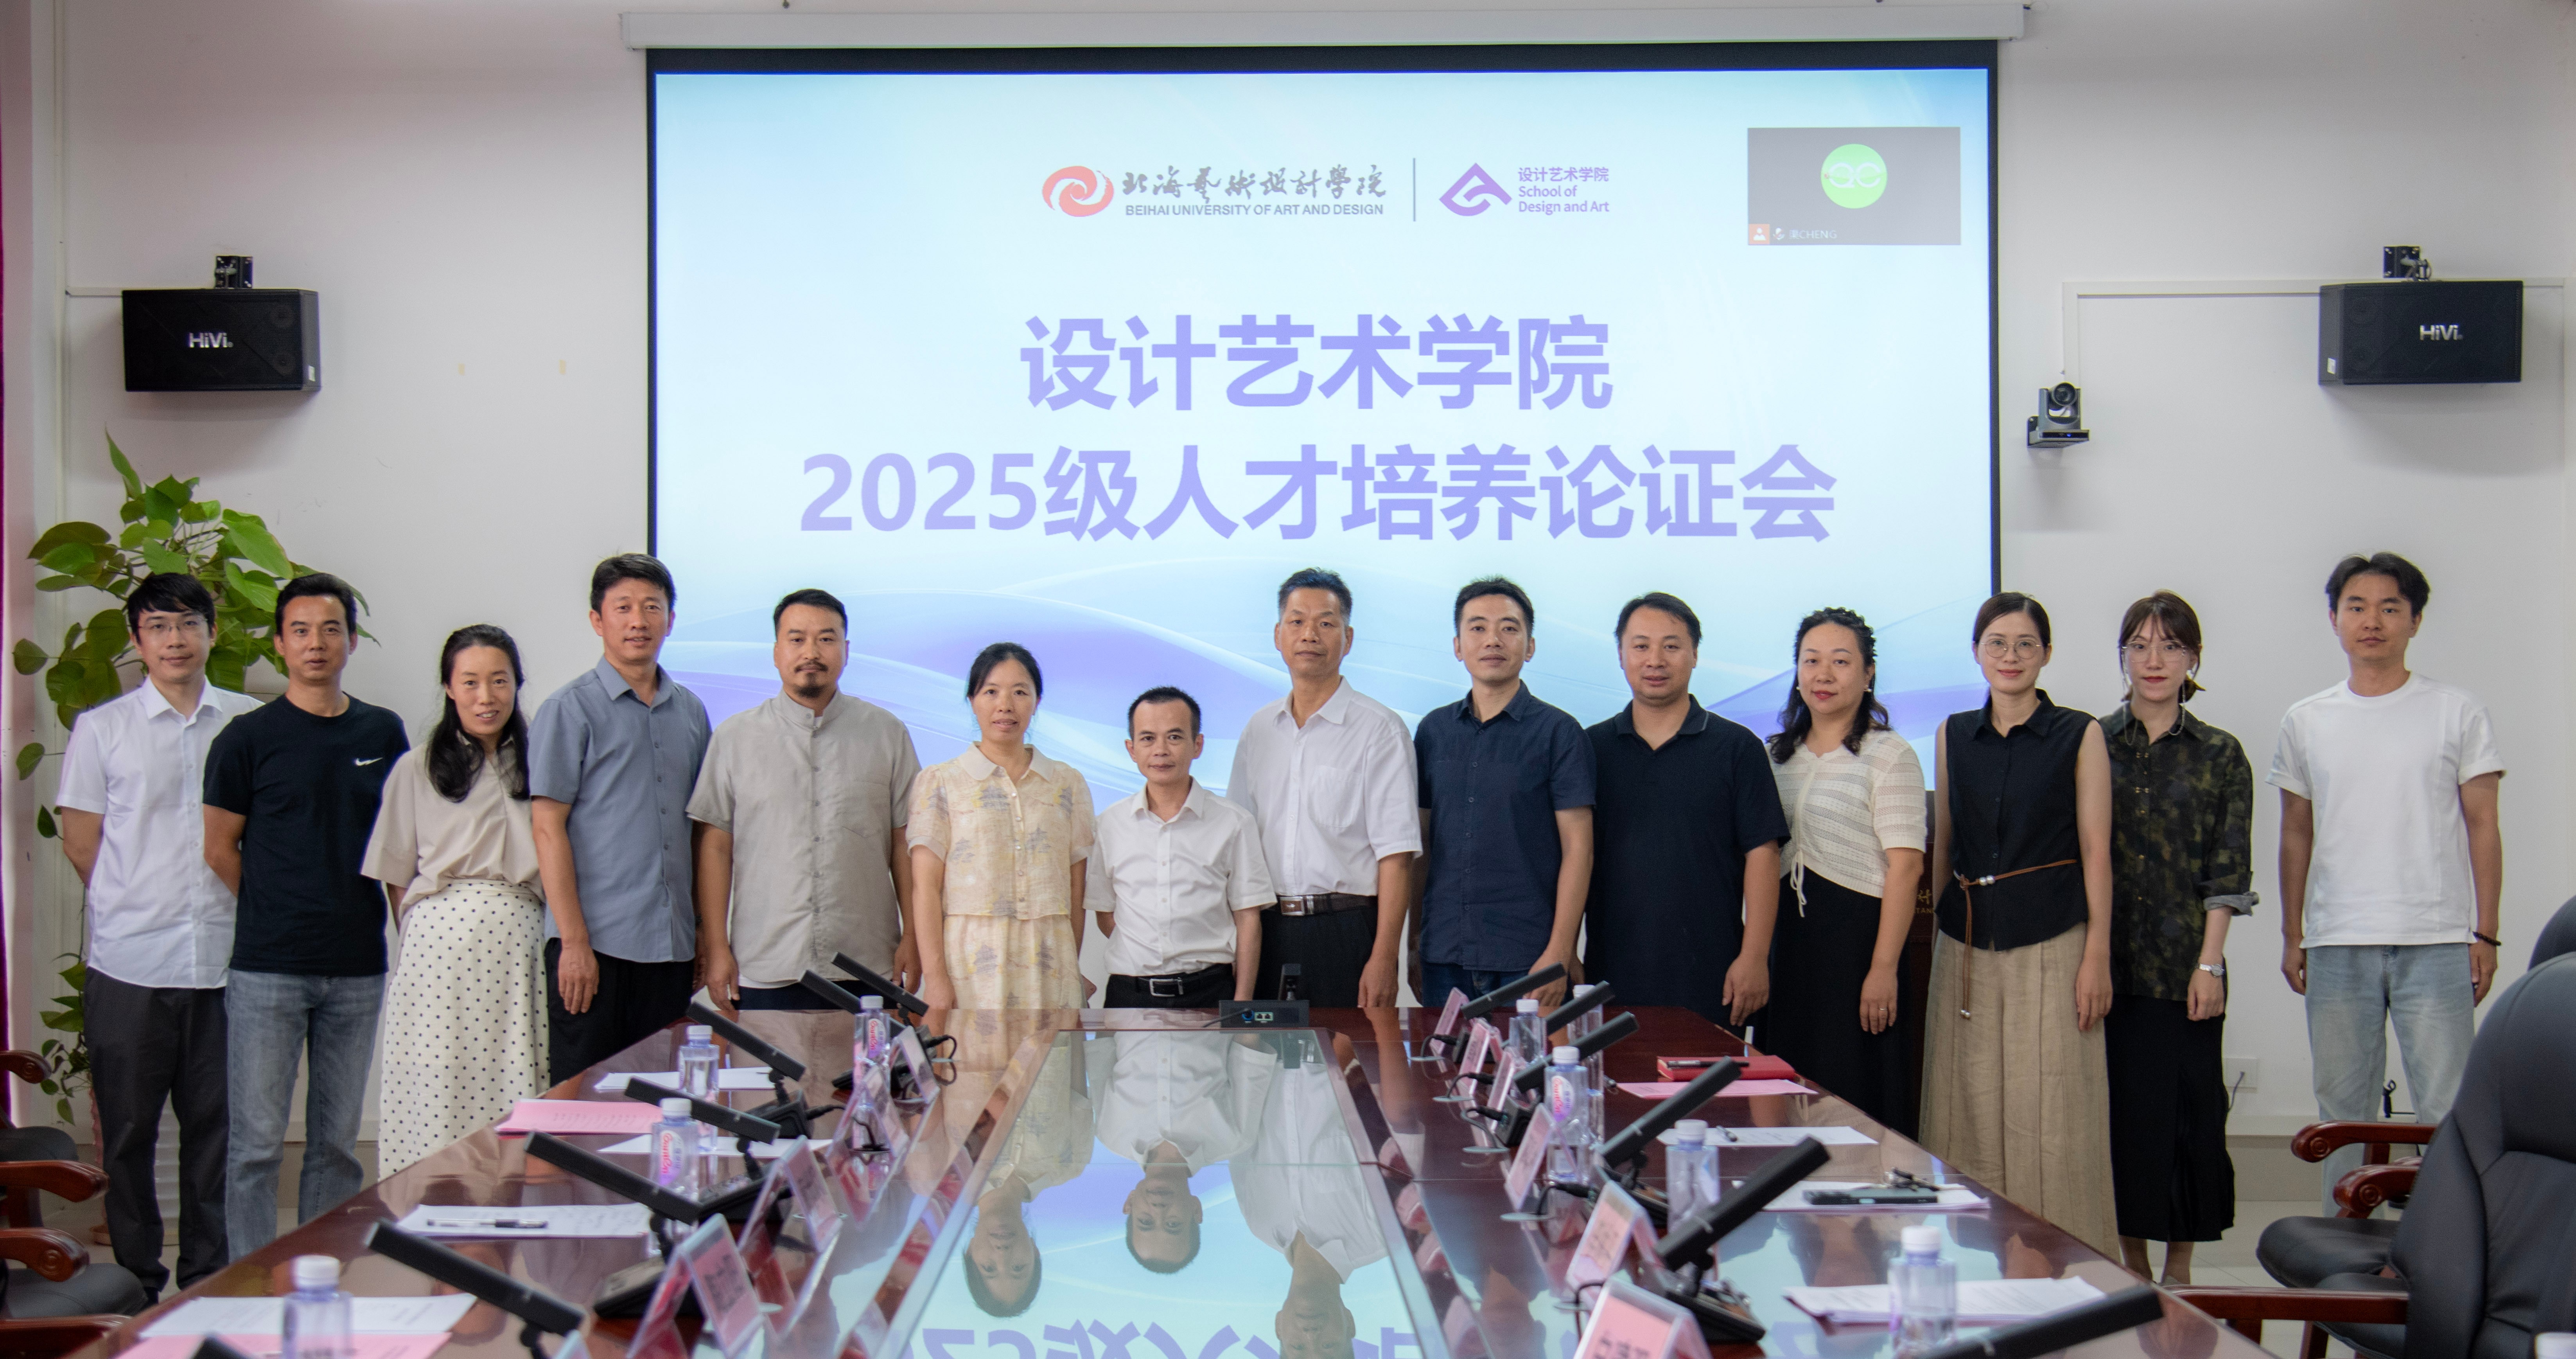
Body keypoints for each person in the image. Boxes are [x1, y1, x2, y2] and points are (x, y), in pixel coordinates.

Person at [2271, 552, 2502, 1213]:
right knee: (2340, 1110)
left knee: (2446, 1107)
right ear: (2333, 618)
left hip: (2435, 939)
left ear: (2414, 620)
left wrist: (2484, 933)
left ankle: (2449, 1248)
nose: (2370, 620)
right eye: (2356, 606)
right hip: (2336, 940)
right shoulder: (2305, 719)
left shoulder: (2455, 711)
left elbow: (2482, 825)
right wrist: (2292, 934)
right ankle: (2340, 1247)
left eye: (2389, 607)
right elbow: (2295, 832)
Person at [55, 573, 262, 1298]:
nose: (175, 639)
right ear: (137, 640)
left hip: (227, 961)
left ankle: (209, 1279)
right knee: (128, 1134)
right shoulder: (102, 728)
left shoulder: (248, 723)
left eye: (188, 623)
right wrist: (133, 901)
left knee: (218, 1133)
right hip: (130, 963)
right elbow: (81, 839)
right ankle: (136, 1283)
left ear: (212, 632)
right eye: (158, 626)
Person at [202, 573, 409, 1254]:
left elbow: (398, 846)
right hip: (268, 968)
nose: (315, 643)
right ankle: (250, 1282)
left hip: (357, 966)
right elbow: (219, 846)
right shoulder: (246, 738)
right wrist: (276, 903)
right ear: (279, 643)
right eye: (300, 630)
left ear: (351, 640)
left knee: (337, 1144)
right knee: (257, 1144)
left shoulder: (383, 731)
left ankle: (326, 1274)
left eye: (329, 629)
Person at [1921, 591, 2117, 1256]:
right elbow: (1945, 840)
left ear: (2046, 653)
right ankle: (1973, 1256)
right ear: (1977, 653)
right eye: (1997, 643)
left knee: (2051, 1105)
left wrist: (2096, 954)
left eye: (2025, 643)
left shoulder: (2078, 733)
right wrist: (1940, 923)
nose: (2010, 656)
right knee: (1967, 1101)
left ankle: (2062, 1258)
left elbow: (2095, 849)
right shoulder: (1952, 733)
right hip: (1965, 942)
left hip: (2053, 936)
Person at [2100, 591, 2254, 1284]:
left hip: (2187, 966)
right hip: (2107, 967)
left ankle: (2181, 1270)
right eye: (2138, 645)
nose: (2153, 660)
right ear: (2122, 656)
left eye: (2169, 645)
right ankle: (2132, 1263)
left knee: (2189, 1118)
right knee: (2123, 1120)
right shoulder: (2092, 742)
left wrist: (2209, 963)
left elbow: (2228, 867)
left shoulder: (2219, 752)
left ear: (2193, 657)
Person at [364, 625, 548, 1172]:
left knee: (515, 1086)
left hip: (520, 950)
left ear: (517, 684)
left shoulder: (545, 761)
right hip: (439, 957)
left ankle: (510, 1202)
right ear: (449, 687)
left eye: (499, 680)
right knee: (439, 1085)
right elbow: (396, 873)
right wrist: (429, 937)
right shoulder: (417, 767)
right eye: (470, 682)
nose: (485, 696)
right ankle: (431, 1205)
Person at [690, 589, 921, 1012]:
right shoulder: (735, 738)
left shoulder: (886, 734)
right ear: (776, 651)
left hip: (868, 964)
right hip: (764, 964)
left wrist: (913, 935)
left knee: (868, 1062)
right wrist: (717, 946)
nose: (811, 652)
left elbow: (904, 842)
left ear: (846, 650)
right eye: (796, 639)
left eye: (826, 639)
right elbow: (715, 847)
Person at [528, 554, 711, 1083]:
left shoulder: (691, 712)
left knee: (663, 1098)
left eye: (652, 607)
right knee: (583, 1103)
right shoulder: (569, 709)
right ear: (597, 620)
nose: (638, 621)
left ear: (670, 620)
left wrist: (701, 929)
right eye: (623, 608)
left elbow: (699, 831)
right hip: (594, 947)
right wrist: (574, 943)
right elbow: (547, 828)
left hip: (671, 946)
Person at [1582, 592, 1786, 1030]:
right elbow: (1570, 857)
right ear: (1620, 655)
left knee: (1712, 1077)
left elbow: (1763, 854)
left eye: (1671, 646)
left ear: (1694, 654)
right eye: (1640, 646)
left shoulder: (1736, 748)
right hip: (1610, 974)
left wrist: (1754, 957)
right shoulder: (1589, 749)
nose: (1655, 660)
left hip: (1711, 975)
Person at [1762, 607, 1925, 1135]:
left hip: (1856, 947)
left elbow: (1906, 867)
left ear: (1867, 672)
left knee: (1852, 1097)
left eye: (1840, 661)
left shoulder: (1888, 754)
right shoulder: (1773, 755)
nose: (1823, 675)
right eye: (1811, 661)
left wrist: (1883, 968)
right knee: (1785, 1095)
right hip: (1788, 947)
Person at [1226, 568, 1420, 1006]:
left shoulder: (1379, 730)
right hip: (1266, 929)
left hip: (1345, 931)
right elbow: (1237, 842)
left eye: (1326, 623)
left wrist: (1384, 957)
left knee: (1349, 1050)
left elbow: (1396, 855)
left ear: (1347, 639)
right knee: (1262, 1052)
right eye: (1296, 621)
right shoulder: (1258, 730)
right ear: (1278, 635)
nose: (1309, 634)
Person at [1412, 577, 1595, 1010]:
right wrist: (1413, 944)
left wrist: (1561, 950)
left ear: (1529, 646)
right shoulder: (1433, 731)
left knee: (1533, 1059)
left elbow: (1579, 849)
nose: (1492, 640)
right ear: (1457, 646)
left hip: (1529, 958)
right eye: (1477, 628)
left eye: (1509, 628)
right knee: (1443, 1059)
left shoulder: (1559, 732)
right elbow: (1421, 847)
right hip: (1444, 956)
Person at [908, 642, 1093, 1009]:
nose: (1005, 705)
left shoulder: (1066, 783)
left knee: (1053, 1049)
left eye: (1020, 692)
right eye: (991, 692)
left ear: (1037, 702)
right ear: (972, 700)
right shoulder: (941, 781)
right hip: (971, 966)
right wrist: (936, 979)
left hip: (1049, 962)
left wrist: (1070, 966)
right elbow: (925, 889)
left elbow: (1076, 889)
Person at [1089, 686, 1272, 1007]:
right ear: (1131, 749)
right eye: (1148, 739)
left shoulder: (1233, 822)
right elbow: (1105, 913)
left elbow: (1248, 919)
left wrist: (1241, 1003)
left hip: (1210, 992)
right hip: (1130, 997)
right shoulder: (1109, 824)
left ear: (1197, 745)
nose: (1161, 750)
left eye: (1174, 737)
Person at [1234, 1031, 1388, 1359]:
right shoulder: (1380, 1235)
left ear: (1279, 1327)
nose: (1311, 1334)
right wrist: (1342, 1040)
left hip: (1266, 1035)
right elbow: (1381, 1109)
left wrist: (1251, 1037)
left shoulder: (1258, 1221)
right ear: (1349, 1324)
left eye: (1298, 1347)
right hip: (1337, 1033)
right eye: (1329, 1346)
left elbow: (1244, 1124)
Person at [1090, 1030, 1277, 1273]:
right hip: (1206, 1011)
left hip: (1131, 1010)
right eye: (1173, 1225)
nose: (1158, 1211)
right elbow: (1248, 1041)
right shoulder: (1235, 1138)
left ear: (1130, 1204)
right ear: (1196, 1210)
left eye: (1145, 1222)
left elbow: (1103, 1040)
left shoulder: (1109, 1133)